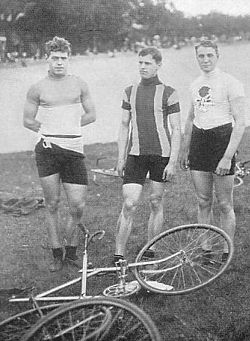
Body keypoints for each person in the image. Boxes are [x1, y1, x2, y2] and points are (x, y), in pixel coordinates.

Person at [23, 36, 96, 271]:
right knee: (52, 203)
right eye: (55, 58)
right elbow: (27, 119)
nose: (59, 63)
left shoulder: (79, 84)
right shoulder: (38, 87)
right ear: (47, 59)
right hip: (47, 150)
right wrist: (48, 132)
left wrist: (70, 127)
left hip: (74, 149)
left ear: (69, 59)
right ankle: (57, 252)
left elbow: (91, 114)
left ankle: (72, 250)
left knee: (77, 205)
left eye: (63, 58)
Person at [114, 47, 181, 263]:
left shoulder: (169, 92)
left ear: (158, 65)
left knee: (155, 201)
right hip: (136, 155)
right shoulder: (129, 91)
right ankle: (119, 255)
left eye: (148, 63)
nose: (143, 67)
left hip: (161, 155)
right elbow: (124, 125)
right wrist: (120, 158)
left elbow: (176, 129)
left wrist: (173, 161)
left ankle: (151, 249)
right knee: (130, 203)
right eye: (140, 62)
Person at [180, 40, 246, 260]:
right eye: (201, 56)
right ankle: (205, 248)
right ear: (196, 57)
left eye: (209, 55)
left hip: (221, 141)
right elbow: (190, 119)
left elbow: (240, 123)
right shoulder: (194, 83)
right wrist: (185, 149)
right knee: (203, 200)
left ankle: (227, 251)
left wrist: (227, 157)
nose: (205, 60)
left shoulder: (231, 82)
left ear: (217, 56)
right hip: (199, 142)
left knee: (225, 203)